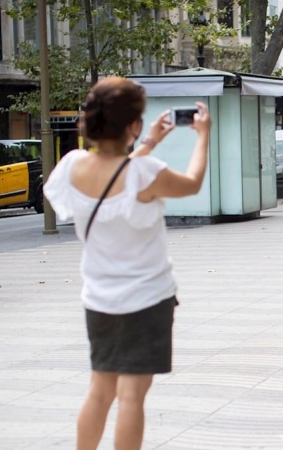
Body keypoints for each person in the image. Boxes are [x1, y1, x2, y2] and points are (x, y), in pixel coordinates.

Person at [42, 77, 211, 450]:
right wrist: (202, 136)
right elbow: (192, 183)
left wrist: (148, 142)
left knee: (100, 390)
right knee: (132, 396)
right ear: (132, 125)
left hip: (99, 299)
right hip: (147, 300)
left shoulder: (71, 167)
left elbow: (114, 175)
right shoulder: (145, 174)